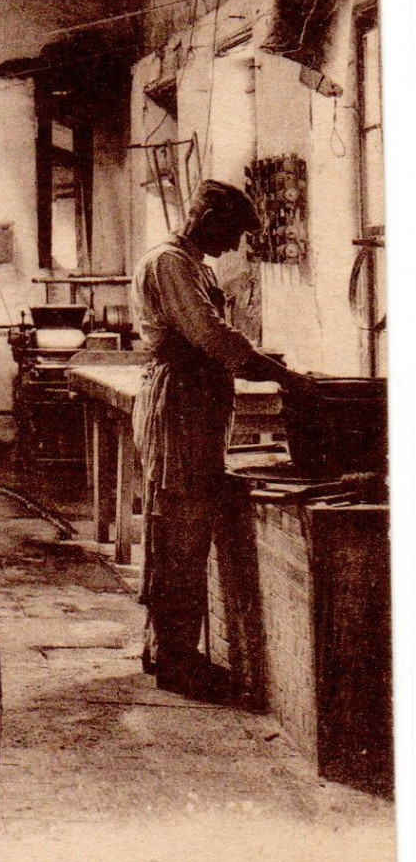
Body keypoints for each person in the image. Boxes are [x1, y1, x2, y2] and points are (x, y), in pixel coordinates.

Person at [131, 179, 314, 700]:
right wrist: (282, 375)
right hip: (181, 405)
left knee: (177, 531)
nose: (234, 245)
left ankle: (163, 652)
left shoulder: (191, 263)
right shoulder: (170, 262)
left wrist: (266, 367)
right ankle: (180, 666)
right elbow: (210, 337)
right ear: (206, 217)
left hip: (195, 403)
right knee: (182, 533)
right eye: (231, 231)